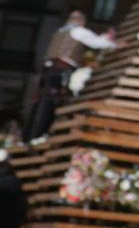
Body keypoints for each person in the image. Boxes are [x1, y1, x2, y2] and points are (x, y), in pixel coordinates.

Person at [25, 11, 118, 140]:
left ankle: (28, 136)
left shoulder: (60, 32)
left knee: (40, 101)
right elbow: (96, 43)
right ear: (82, 22)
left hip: (47, 69)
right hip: (61, 70)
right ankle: (41, 135)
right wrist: (114, 44)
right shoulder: (78, 31)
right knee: (53, 102)